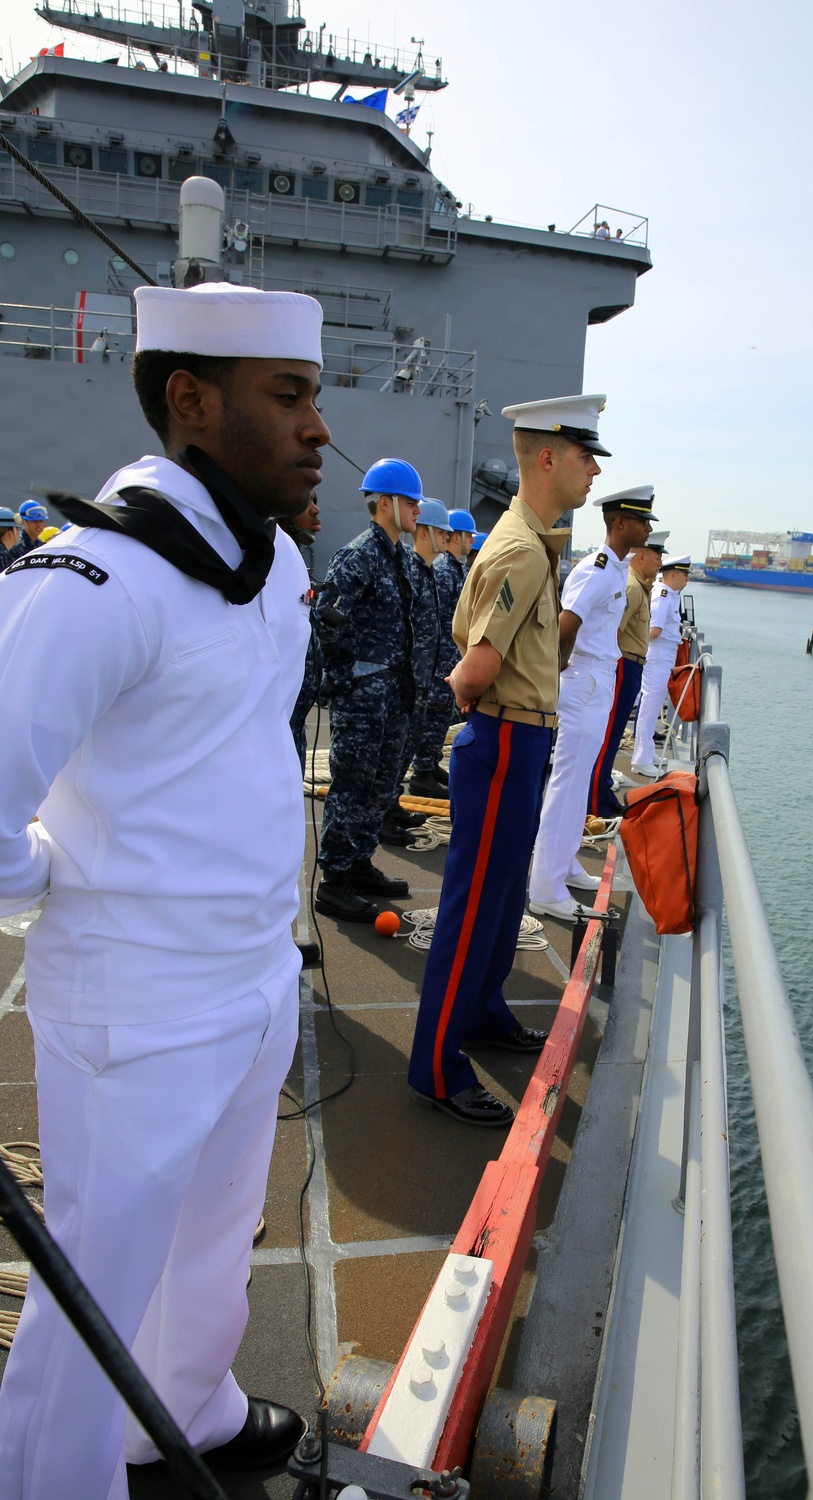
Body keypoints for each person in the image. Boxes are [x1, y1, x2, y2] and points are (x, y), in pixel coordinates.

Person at [0, 280, 328, 1499]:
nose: (315, 428)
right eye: (287, 396)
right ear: (192, 401)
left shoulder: (274, 567)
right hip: (134, 1004)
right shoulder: (97, 577)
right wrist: (56, 883)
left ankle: (182, 1409)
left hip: (249, 981)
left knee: (212, 1243)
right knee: (96, 1287)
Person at [407, 393, 608, 1126]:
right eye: (586, 455)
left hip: (524, 741)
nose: (593, 470)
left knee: (499, 902)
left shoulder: (532, 538)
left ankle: (486, 1009)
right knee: (472, 909)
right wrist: (469, 700)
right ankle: (435, 1065)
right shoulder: (523, 548)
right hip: (503, 740)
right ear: (547, 456)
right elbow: (478, 667)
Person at [527, 486, 654, 920]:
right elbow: (565, 627)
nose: (649, 528)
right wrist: (560, 681)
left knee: (579, 781)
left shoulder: (617, 570)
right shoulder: (597, 570)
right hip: (583, 682)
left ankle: (563, 864)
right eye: (642, 520)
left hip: (597, 680)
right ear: (619, 522)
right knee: (565, 783)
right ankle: (544, 885)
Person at [313, 458, 421, 923]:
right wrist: (346, 677)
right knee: (352, 786)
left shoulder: (400, 558)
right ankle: (334, 881)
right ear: (384, 504)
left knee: (380, 785)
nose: (417, 509)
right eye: (410, 502)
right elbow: (325, 620)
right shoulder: (357, 557)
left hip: (393, 694)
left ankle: (358, 862)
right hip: (363, 697)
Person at [588, 519, 663, 817]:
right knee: (608, 735)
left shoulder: (640, 587)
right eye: (656, 557)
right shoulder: (632, 587)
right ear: (642, 556)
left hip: (632, 668)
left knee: (615, 733)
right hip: (622, 667)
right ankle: (596, 801)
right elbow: (613, 634)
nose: (659, 564)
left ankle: (602, 787)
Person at [407, 507, 473, 798]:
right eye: (466, 535)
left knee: (438, 715)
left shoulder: (453, 569)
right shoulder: (444, 570)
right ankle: (422, 769)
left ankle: (429, 765)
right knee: (429, 715)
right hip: (434, 659)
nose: (469, 541)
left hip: (445, 657)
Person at [394, 496, 451, 817]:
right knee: (398, 750)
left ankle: (391, 805)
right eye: (441, 532)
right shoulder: (412, 572)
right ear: (425, 532)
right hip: (410, 680)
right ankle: (387, 810)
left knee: (410, 743)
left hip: (426, 677)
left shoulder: (427, 572)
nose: (447, 537)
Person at [631, 550, 692, 776]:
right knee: (649, 707)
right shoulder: (664, 595)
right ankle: (640, 759)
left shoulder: (669, 595)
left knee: (654, 706)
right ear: (673, 575)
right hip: (657, 656)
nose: (688, 579)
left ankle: (647, 752)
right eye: (685, 575)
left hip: (663, 656)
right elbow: (654, 631)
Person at [281, 493, 322, 771]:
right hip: (277, 720)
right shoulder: (267, 564)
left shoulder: (290, 561)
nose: (315, 510)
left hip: (295, 720)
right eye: (306, 501)